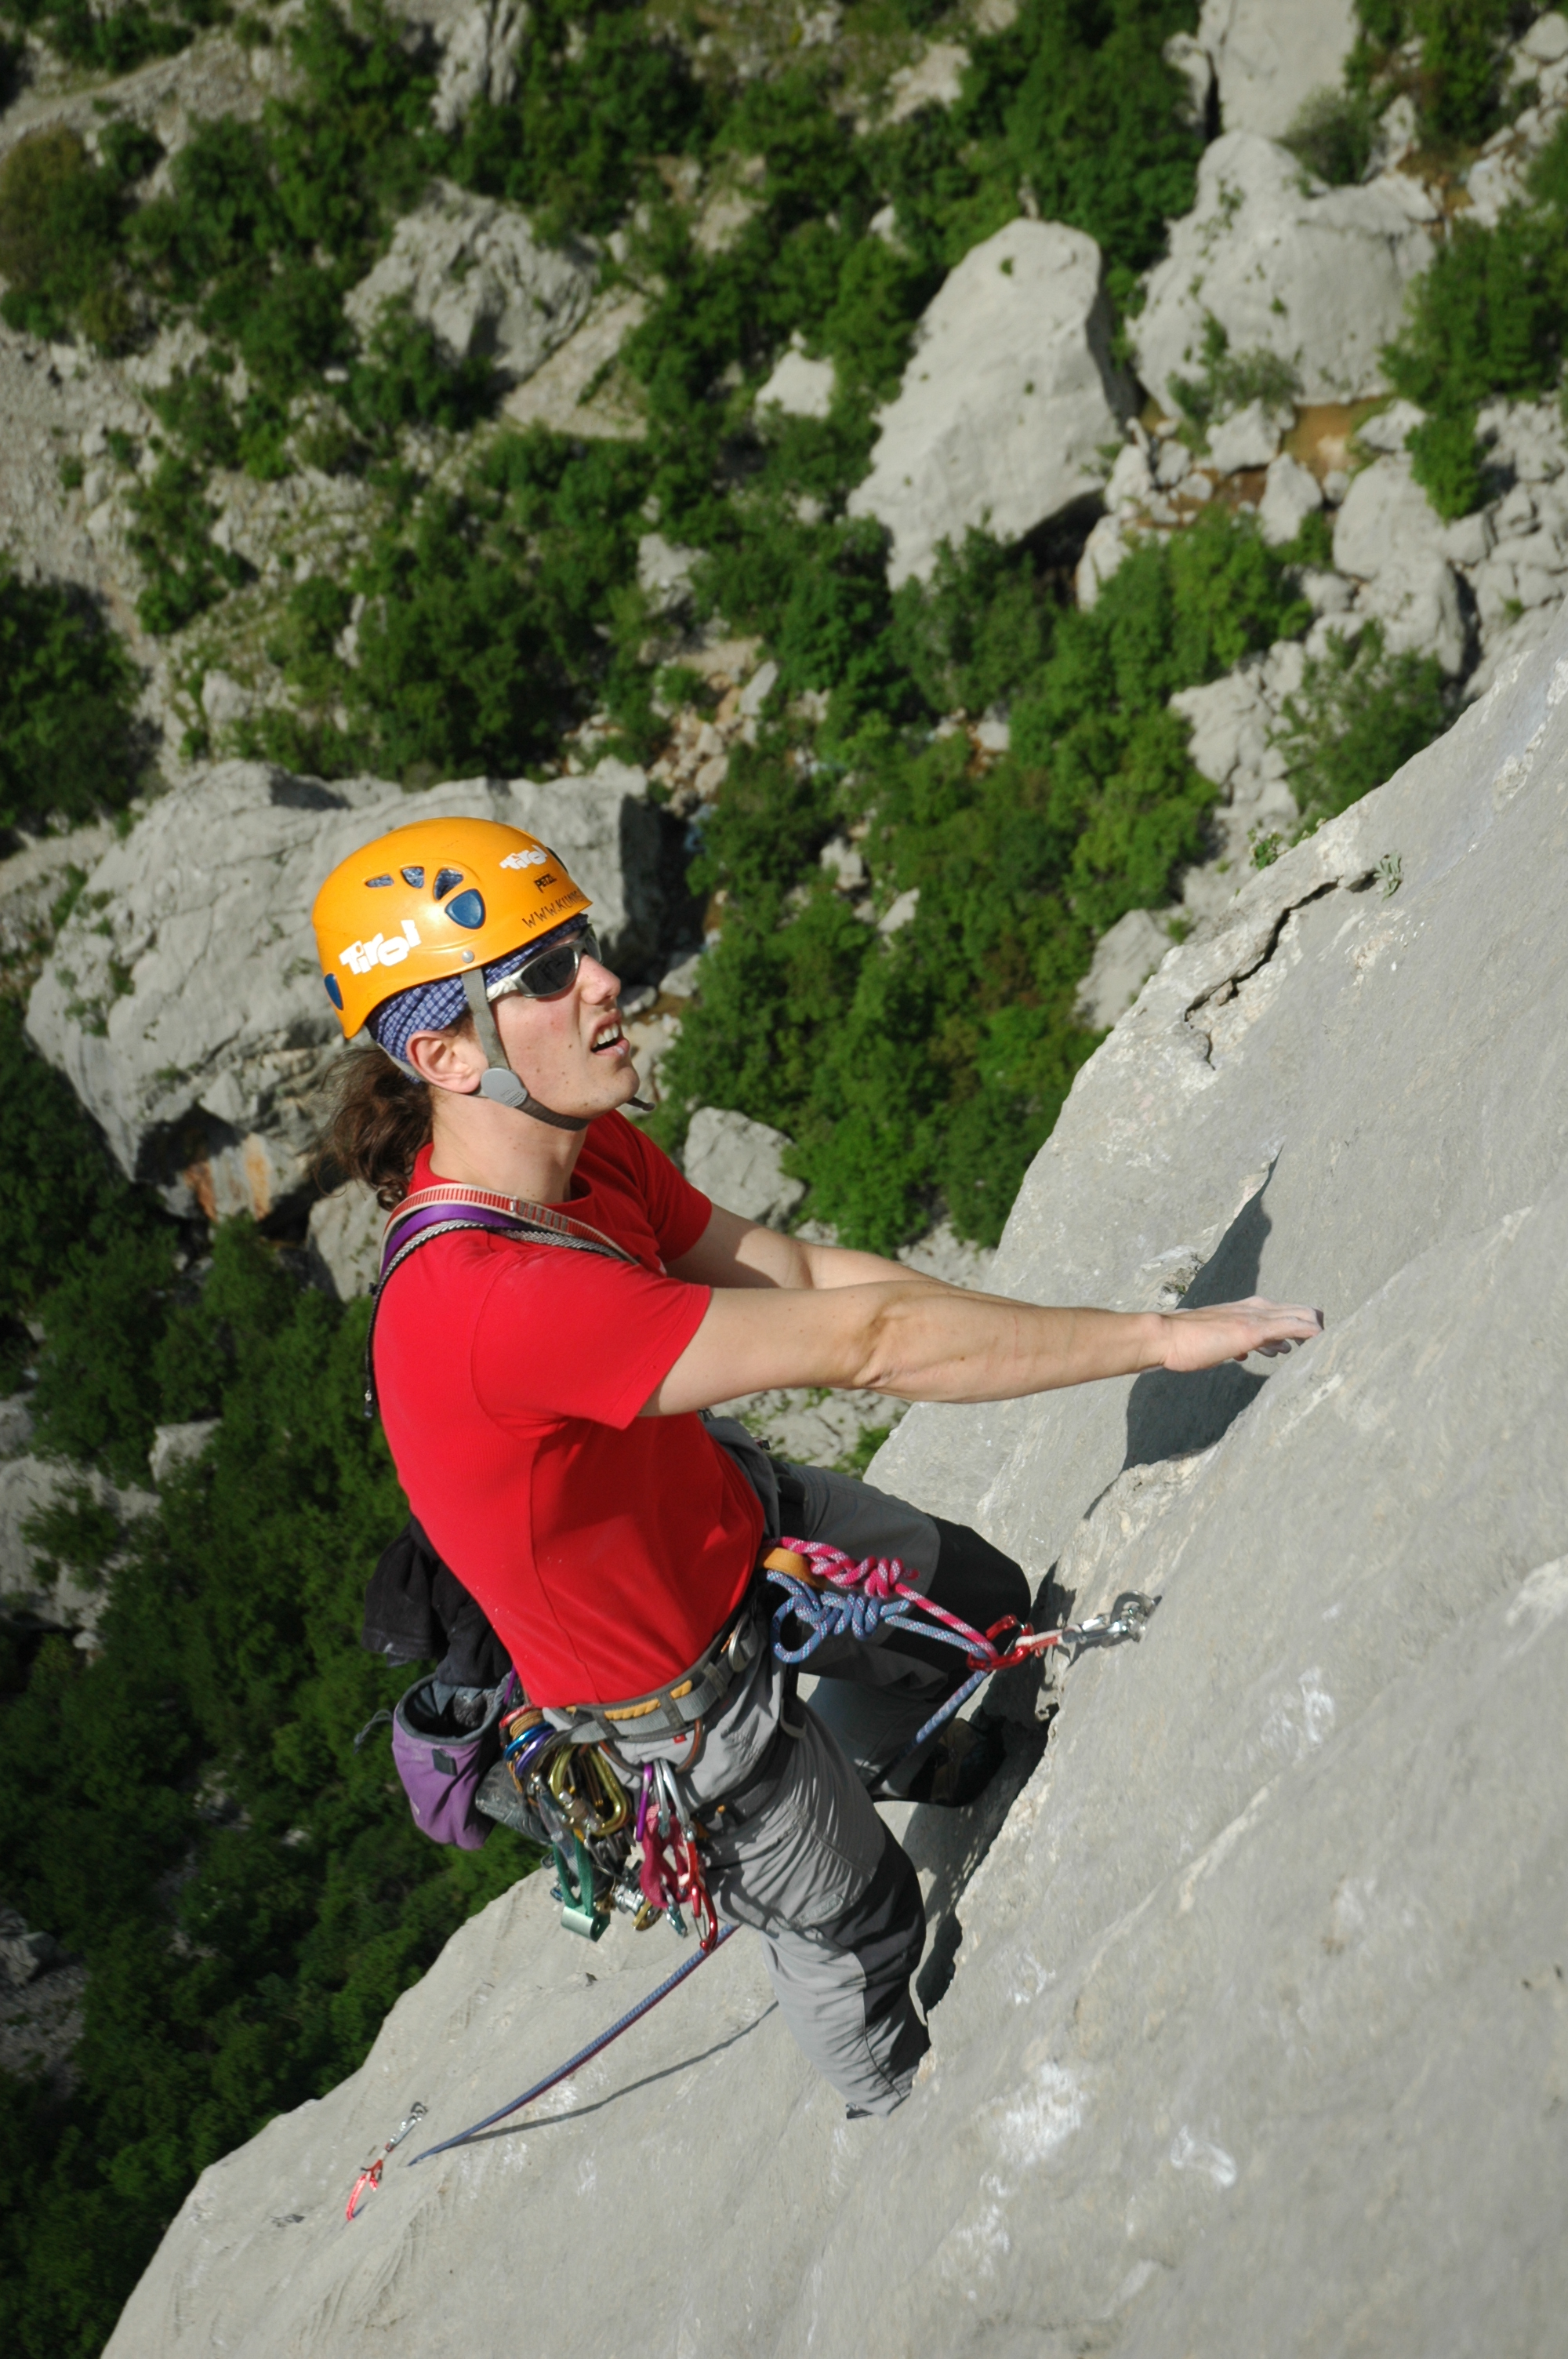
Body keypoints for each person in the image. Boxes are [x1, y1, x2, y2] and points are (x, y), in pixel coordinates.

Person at [311, 816, 1322, 2117]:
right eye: (546, 974)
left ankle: (889, 1753)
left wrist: (1039, 1325)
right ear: (444, 1053)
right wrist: (1154, 1342)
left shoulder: (582, 1151)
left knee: (981, 1607)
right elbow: (870, 1343)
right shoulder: (491, 1301)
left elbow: (794, 1273)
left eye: (581, 944)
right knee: (863, 1920)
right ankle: (891, 2116)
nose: (603, 979)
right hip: (672, 1706)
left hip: (730, 1521)